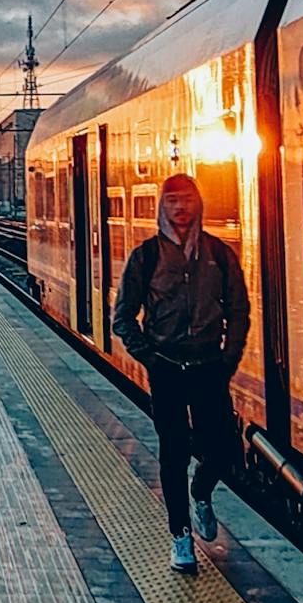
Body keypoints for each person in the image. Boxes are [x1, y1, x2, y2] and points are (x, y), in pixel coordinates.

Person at [112, 172, 249, 572]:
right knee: (173, 454)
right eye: (172, 200)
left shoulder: (219, 255)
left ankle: (202, 492)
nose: (180, 207)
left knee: (223, 448)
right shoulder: (146, 257)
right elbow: (124, 318)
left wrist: (229, 358)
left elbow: (238, 310)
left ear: (198, 203)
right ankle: (180, 537)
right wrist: (149, 357)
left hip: (209, 366)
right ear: (162, 206)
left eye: (186, 199)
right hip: (168, 368)